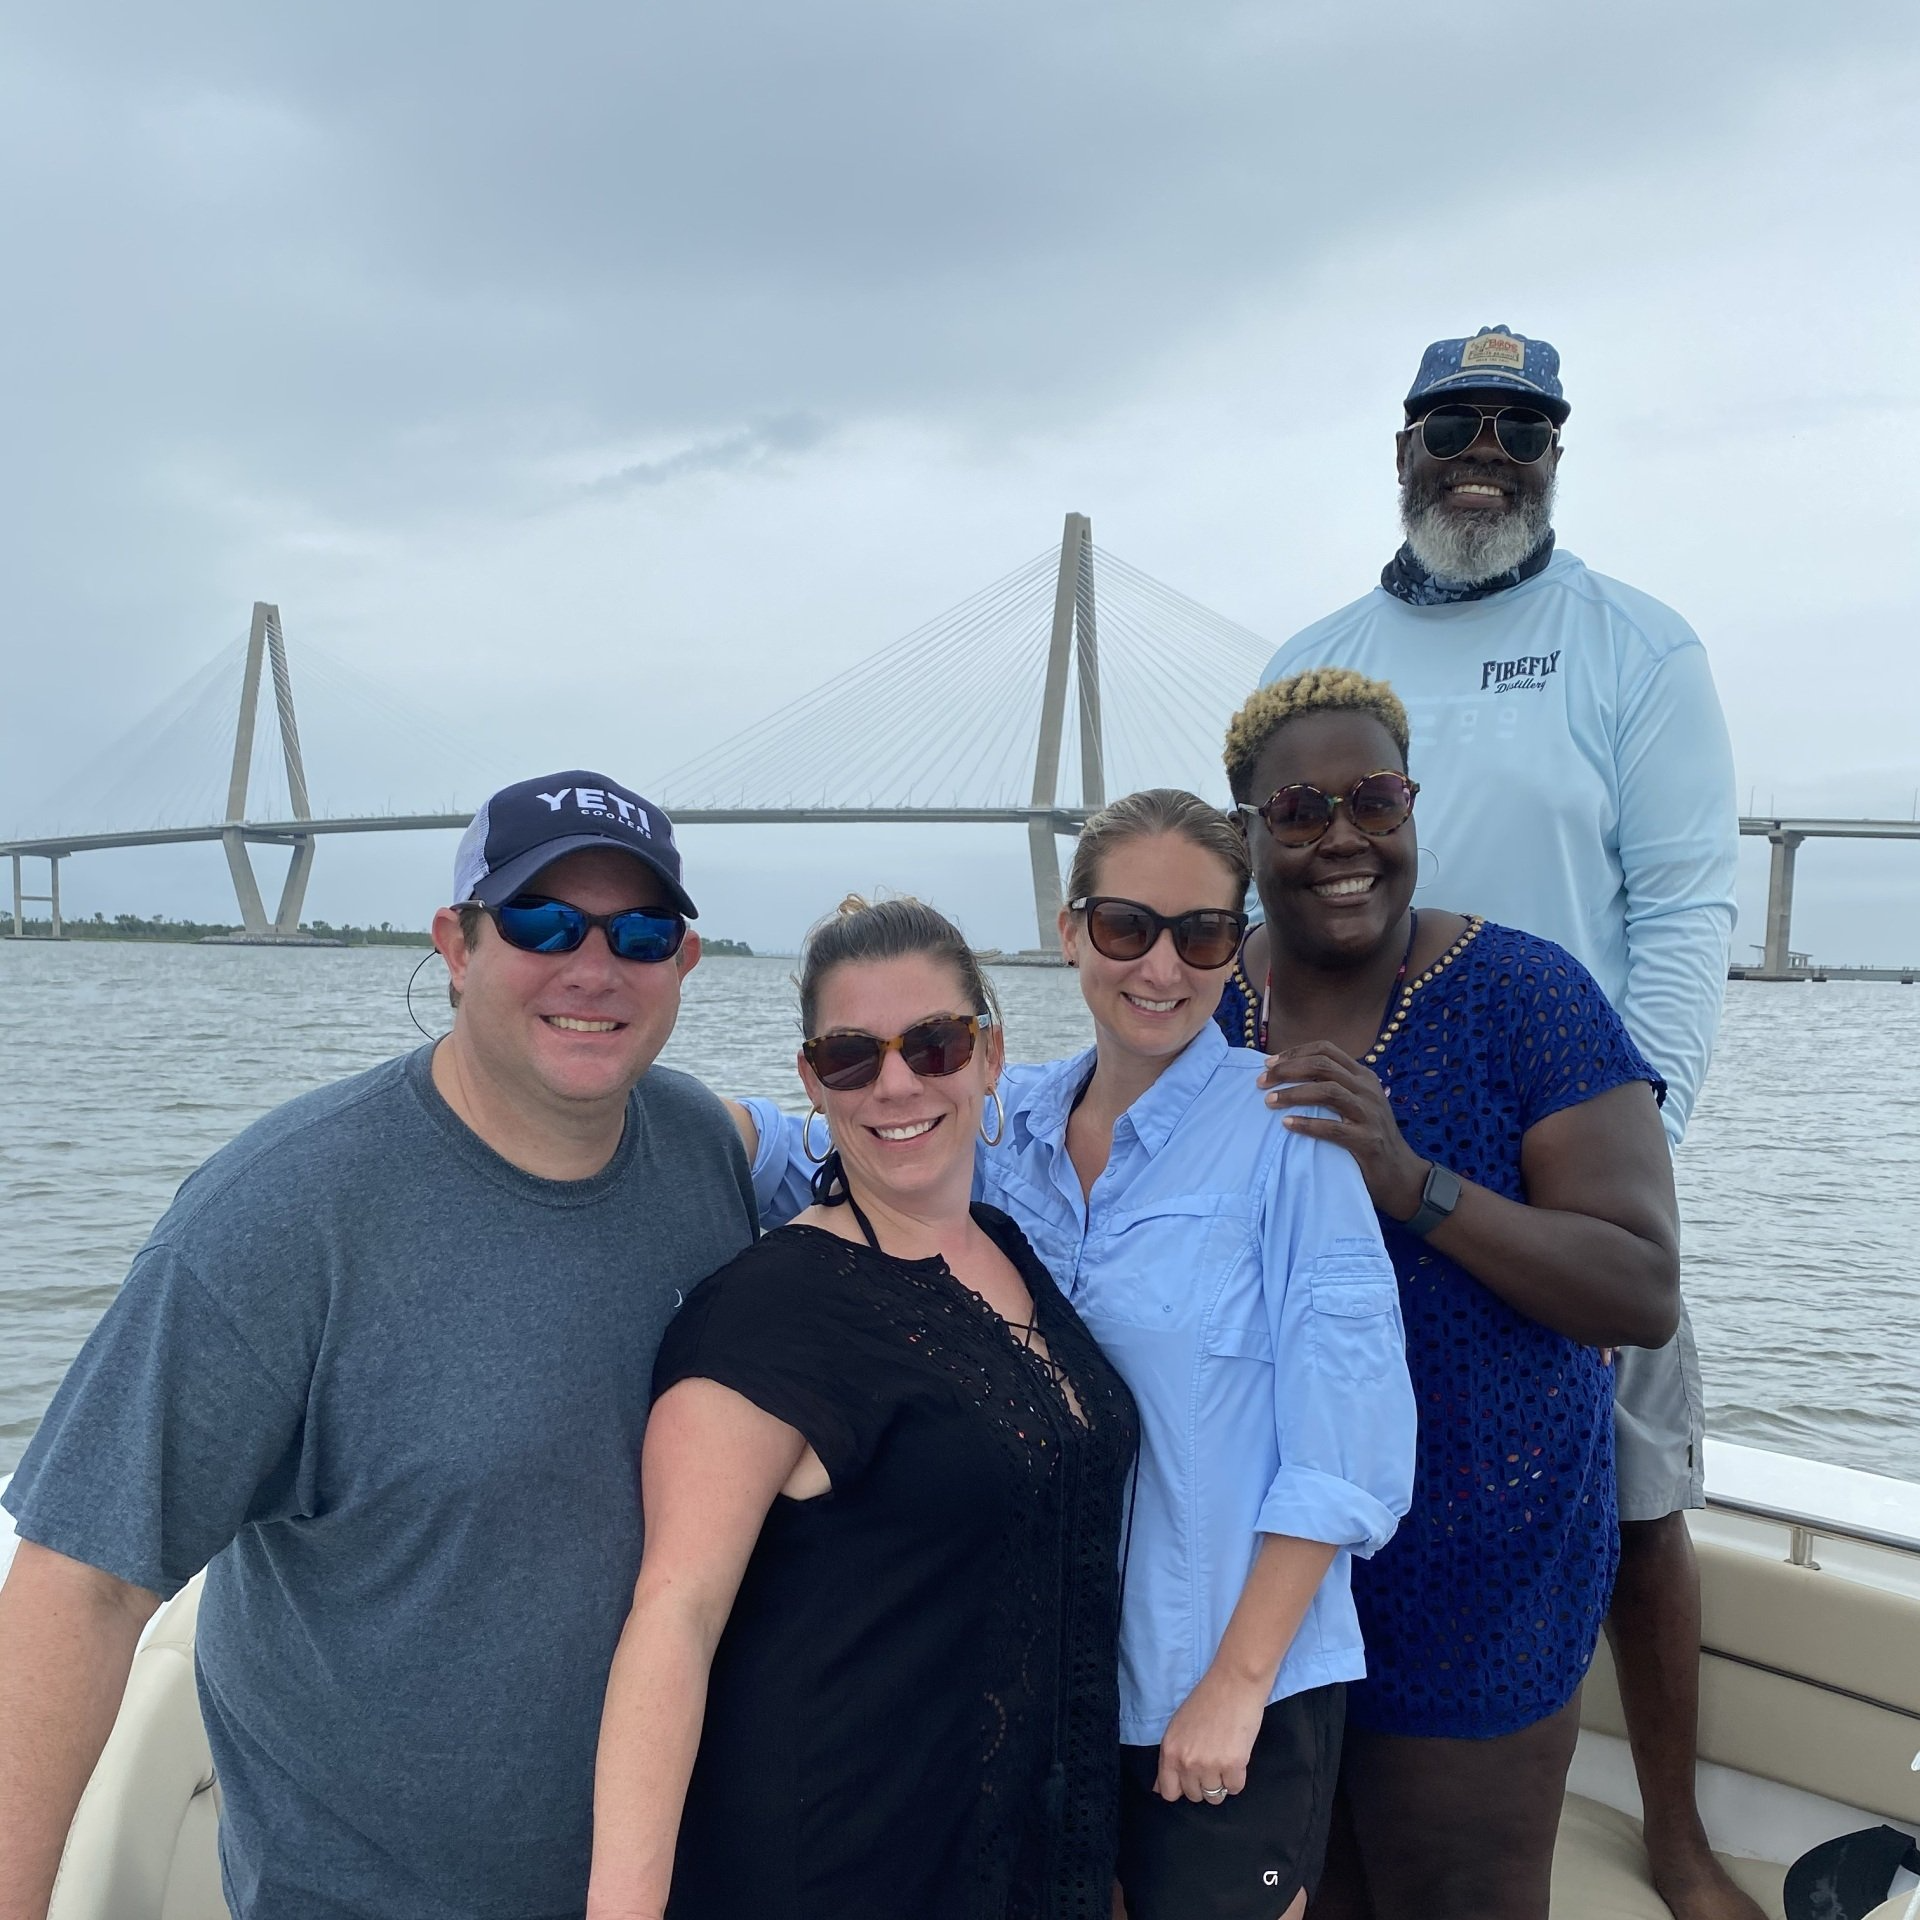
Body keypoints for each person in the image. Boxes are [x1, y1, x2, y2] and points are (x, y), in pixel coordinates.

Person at [0, 772, 756, 1920]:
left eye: (642, 931)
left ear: (684, 965)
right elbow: (84, 1583)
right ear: (455, 944)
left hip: (658, 1883)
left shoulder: (703, 1149)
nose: (594, 967)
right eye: (543, 921)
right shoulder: (282, 1214)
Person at [1253, 325, 1747, 1920]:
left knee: (1635, 1500)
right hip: (1345, 1129)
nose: (1487, 450)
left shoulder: (1634, 645)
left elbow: (1682, 899)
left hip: (1573, 1128)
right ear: (1400, 449)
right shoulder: (1312, 656)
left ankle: (1671, 1829)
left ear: (1555, 453)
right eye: (1454, 423)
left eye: (1522, 427)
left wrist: (1628, 1144)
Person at [736, 792, 1416, 1920]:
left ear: (1234, 947)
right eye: (1125, 928)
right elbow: (825, 1134)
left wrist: (1234, 1691)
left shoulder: (1286, 1137)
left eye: (1201, 933)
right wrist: (600, 1103)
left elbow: (1349, 1454)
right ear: (1069, 934)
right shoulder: (1005, 1119)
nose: (1161, 965)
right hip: (1051, 1690)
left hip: (1223, 1687)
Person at [1212, 670, 1682, 1920]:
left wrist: (1410, 1181)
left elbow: (1639, 1287)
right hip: (1259, 1574)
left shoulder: (1525, 998)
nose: (1343, 838)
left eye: (1374, 798)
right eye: (1300, 811)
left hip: (1482, 1567)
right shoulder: (1200, 1005)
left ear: (1412, 807)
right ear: (1247, 828)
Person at [588, 896, 1138, 1920]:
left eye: (934, 1044)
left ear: (989, 1056)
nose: (896, 1083)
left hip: (1031, 1856)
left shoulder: (1004, 1250)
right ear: (813, 1081)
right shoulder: (769, 1311)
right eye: (852, 1056)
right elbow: (675, 1618)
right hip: (839, 1861)